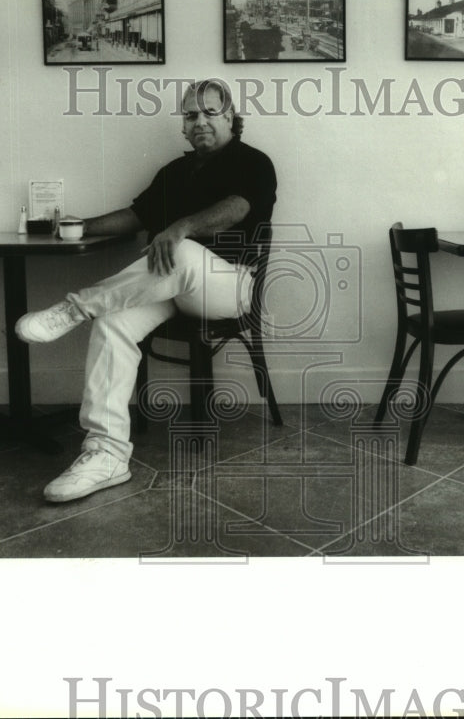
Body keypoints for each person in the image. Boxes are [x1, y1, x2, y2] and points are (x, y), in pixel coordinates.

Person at [16, 79, 277, 503]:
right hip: (171, 289)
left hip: (230, 285)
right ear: (183, 125)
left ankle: (72, 309)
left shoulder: (255, 162)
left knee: (184, 251)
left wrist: (181, 227)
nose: (200, 122)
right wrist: (82, 225)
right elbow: (138, 215)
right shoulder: (174, 171)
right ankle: (106, 455)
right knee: (114, 322)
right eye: (191, 115)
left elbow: (239, 207)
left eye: (210, 112)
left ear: (230, 117)